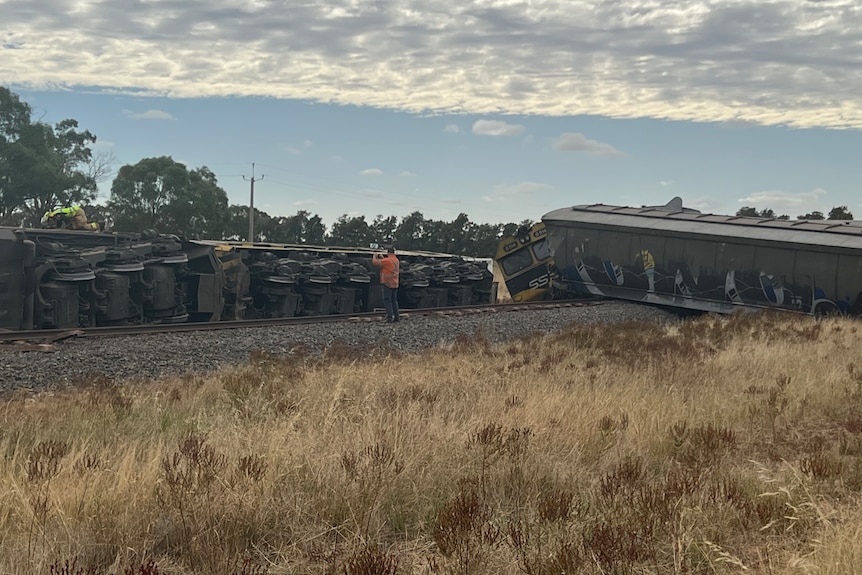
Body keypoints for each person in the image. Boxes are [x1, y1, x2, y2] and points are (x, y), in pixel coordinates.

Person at [371, 246, 400, 323]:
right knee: (394, 300)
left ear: (388, 252)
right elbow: (385, 262)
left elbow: (375, 262)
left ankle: (389, 317)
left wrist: (374, 256)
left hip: (387, 283)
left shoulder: (387, 261)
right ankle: (397, 317)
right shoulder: (396, 260)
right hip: (395, 283)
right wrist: (382, 257)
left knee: (387, 300)